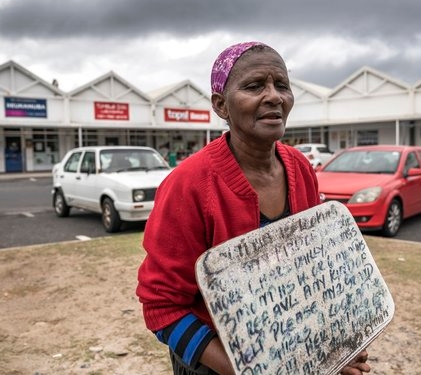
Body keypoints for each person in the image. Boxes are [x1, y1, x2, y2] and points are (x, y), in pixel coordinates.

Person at [136, 41, 371, 375]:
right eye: (254, 85)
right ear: (221, 105)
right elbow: (162, 307)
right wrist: (253, 370)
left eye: (282, 85)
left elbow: (312, 274)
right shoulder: (188, 185)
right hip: (217, 362)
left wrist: (330, 354)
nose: (274, 96)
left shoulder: (301, 169)